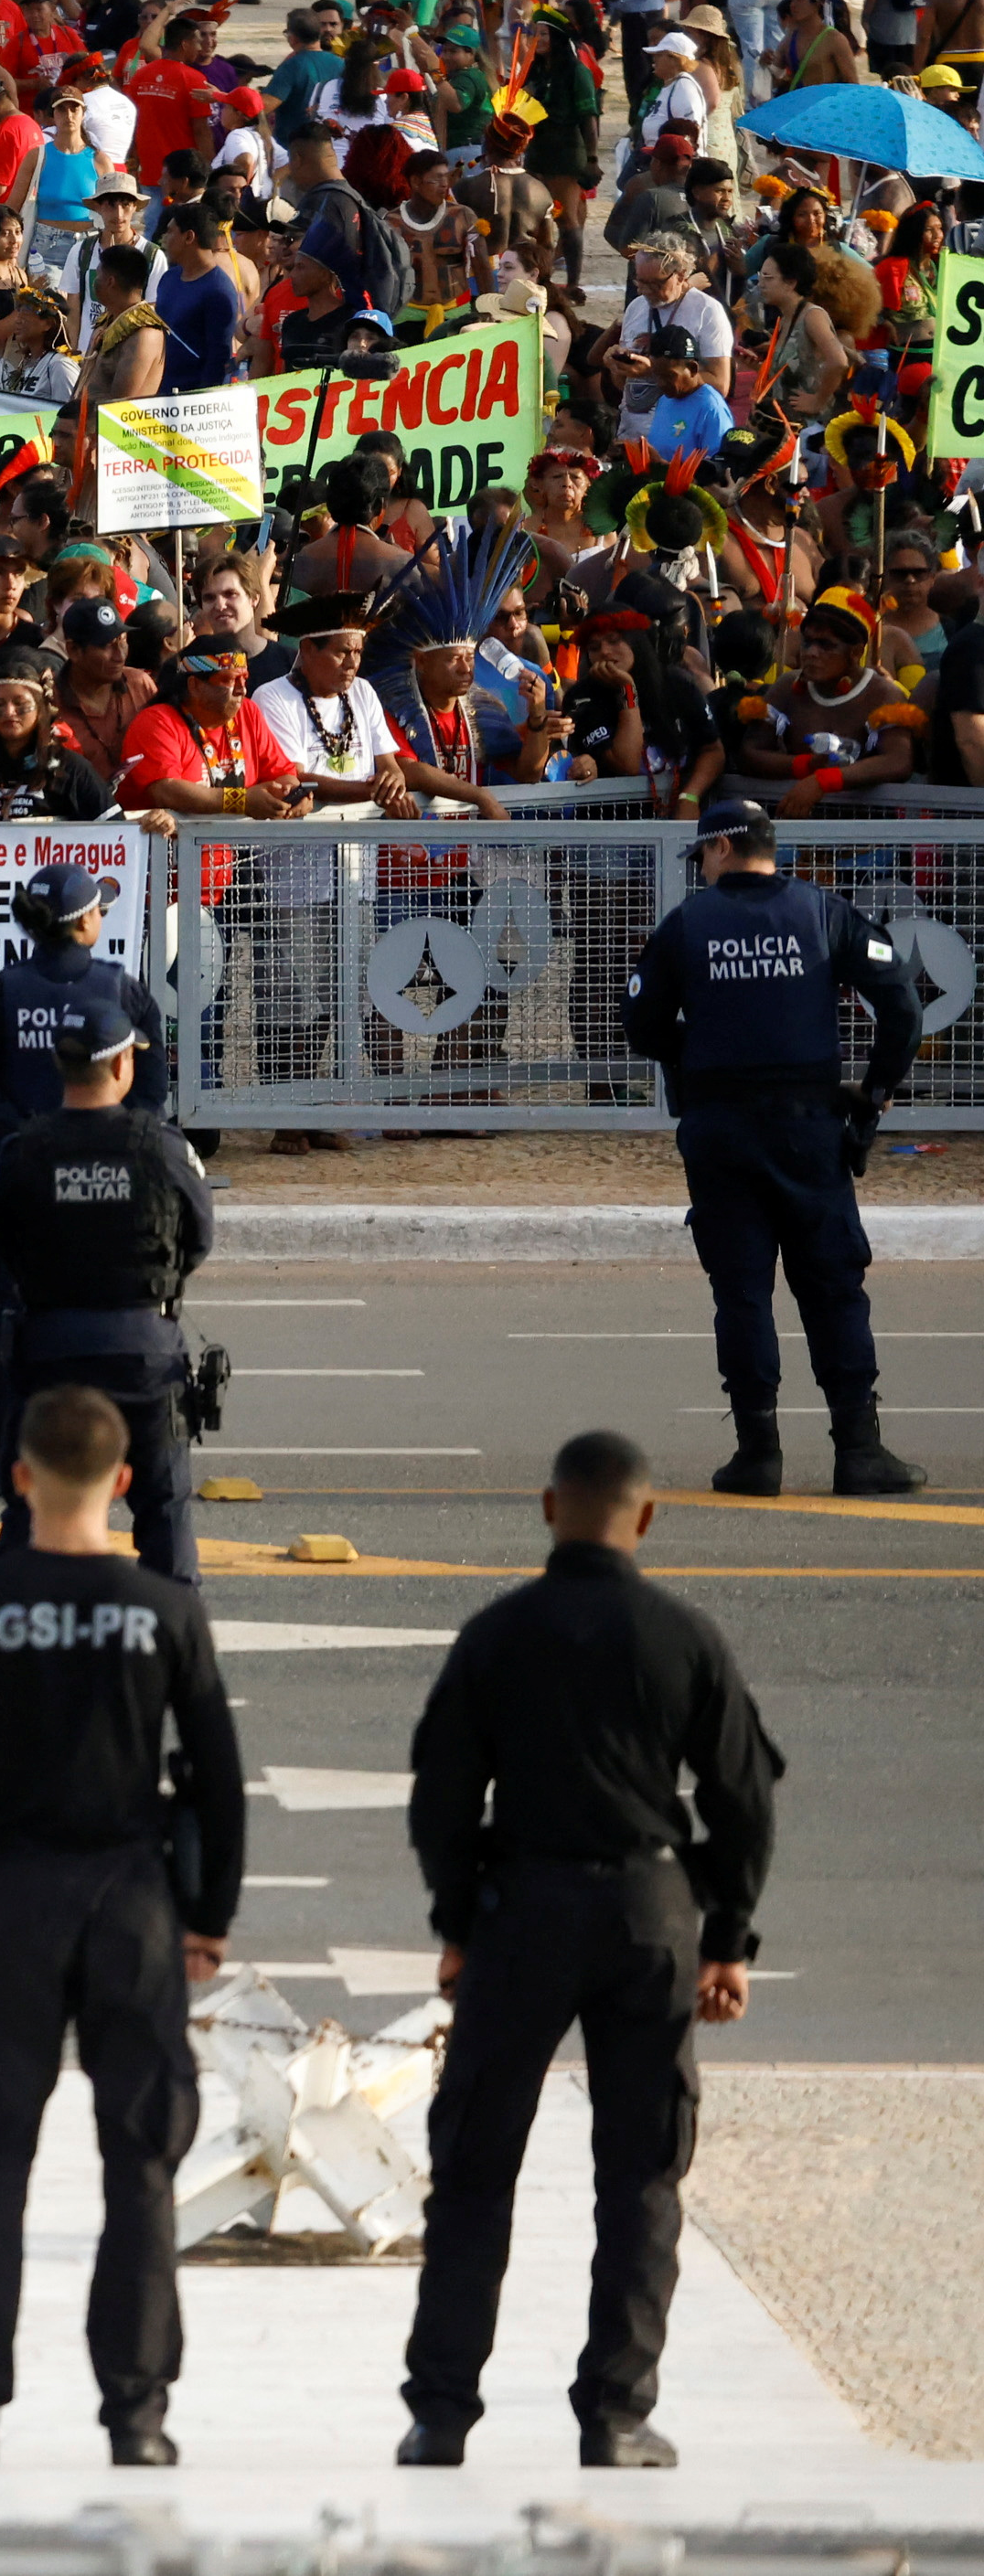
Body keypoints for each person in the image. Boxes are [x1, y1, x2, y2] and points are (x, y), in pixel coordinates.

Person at [399, 1426, 784, 2469]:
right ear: (645, 1516)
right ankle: (614, 2412)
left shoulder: (495, 1634)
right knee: (641, 2175)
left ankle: (438, 2412)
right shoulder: (685, 1636)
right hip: (648, 1916)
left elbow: (437, 1792)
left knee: (473, 2166)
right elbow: (743, 1797)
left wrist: (456, 1921)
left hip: (519, 1913)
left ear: (544, 1507)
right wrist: (725, 1938)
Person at [0, 1385, 242, 2470]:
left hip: (16, 1894)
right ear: (124, 1483)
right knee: (138, 2161)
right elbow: (221, 1780)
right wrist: (208, 1918)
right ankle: (135, 2416)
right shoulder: (166, 1608)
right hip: (135, 1899)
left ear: (21, 1476)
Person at [621, 793, 929, 1496]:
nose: (700, 866)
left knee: (741, 1291)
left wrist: (694, 1054)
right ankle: (859, 1451)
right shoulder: (825, 913)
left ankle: (757, 1453)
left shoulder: (685, 925)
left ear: (722, 848)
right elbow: (903, 1007)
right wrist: (874, 1093)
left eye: (701, 853)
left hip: (720, 1128)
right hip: (809, 1127)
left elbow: (638, 1021)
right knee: (833, 1289)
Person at [0, 993, 214, 1586]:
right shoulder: (165, 1150)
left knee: (31, 1509)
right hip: (143, 1348)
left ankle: (12, 1640)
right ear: (120, 1065)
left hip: (48, 1348)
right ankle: (169, 1646)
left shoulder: (20, 1151)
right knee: (164, 1511)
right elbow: (198, 1240)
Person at [0, 860, 166, 1499]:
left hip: (22, 1171)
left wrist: (26, 1135)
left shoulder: (0, 990)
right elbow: (152, 1084)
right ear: (86, 920)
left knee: (10, 1317)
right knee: (112, 1311)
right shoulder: (121, 987)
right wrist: (119, 1135)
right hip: (109, 1171)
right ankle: (123, 1456)